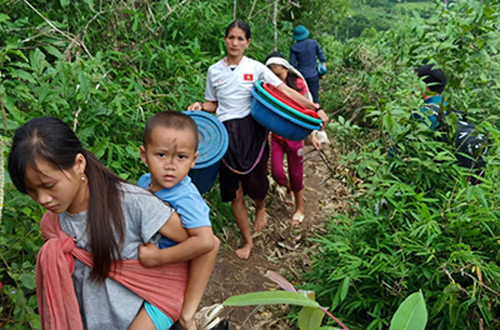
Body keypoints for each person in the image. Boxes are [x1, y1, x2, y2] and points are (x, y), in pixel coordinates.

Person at [8, 116, 208, 330]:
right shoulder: (54, 220)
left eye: (49, 185)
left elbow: (206, 245)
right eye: (31, 190)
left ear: (79, 164)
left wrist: (187, 312)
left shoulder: (135, 204)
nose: (42, 199)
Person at [188, 20, 328, 259]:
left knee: (257, 183)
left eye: (240, 38)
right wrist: (201, 106)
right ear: (225, 39)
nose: (235, 42)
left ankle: (261, 207)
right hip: (225, 134)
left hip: (252, 130)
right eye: (231, 37)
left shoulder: (256, 68)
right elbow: (214, 104)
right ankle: (248, 240)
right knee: (234, 192)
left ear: (247, 42)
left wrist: (315, 107)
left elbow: (285, 91)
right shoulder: (214, 71)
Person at [131, 111, 220, 330]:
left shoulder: (186, 197)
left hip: (170, 279)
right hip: (146, 273)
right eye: (161, 154)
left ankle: (189, 319)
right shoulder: (144, 183)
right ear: (144, 154)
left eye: (181, 157)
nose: (170, 165)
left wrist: (159, 258)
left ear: (194, 159)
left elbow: (206, 242)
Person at [265, 51, 321, 224]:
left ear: (286, 70)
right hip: (276, 136)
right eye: (272, 75)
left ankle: (300, 208)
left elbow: (308, 111)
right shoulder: (269, 86)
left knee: (297, 175)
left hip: (295, 135)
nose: (277, 79)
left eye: (279, 74)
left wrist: (312, 134)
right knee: (277, 173)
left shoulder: (297, 84)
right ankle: (289, 188)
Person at [289, 25, 327, 104]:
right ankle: (316, 114)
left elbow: (292, 65)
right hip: (314, 75)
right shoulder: (313, 43)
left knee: (303, 99)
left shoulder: (294, 47)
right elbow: (322, 59)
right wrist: (323, 72)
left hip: (301, 77)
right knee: (315, 97)